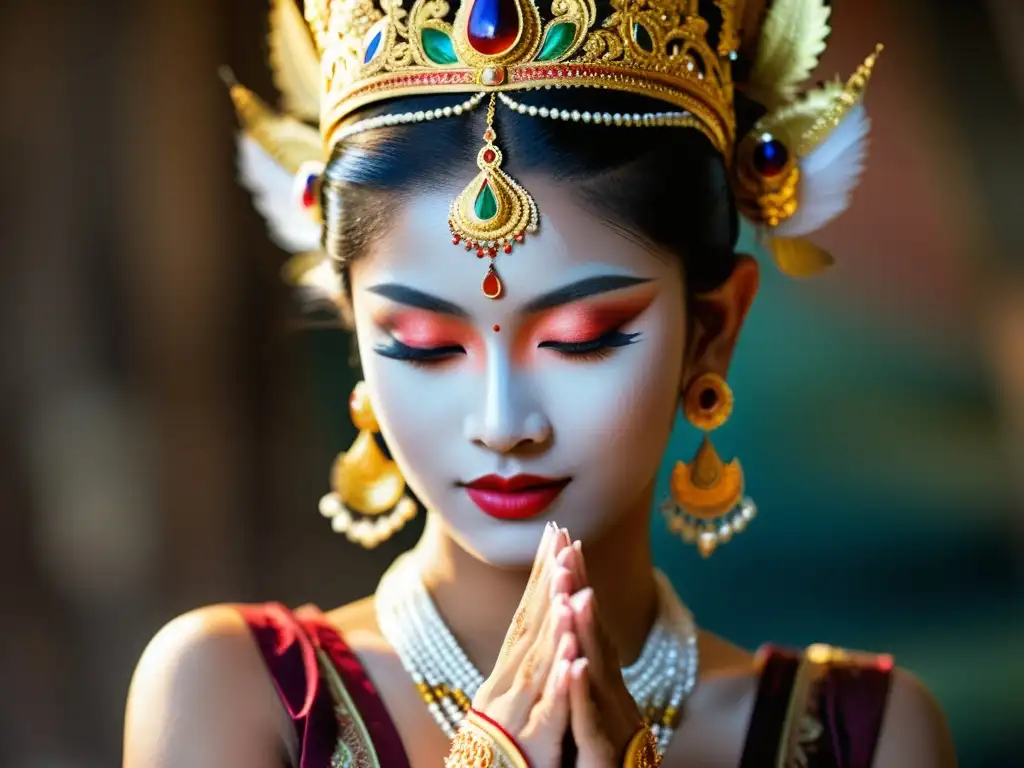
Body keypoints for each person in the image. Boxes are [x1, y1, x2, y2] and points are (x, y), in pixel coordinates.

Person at [123, 0, 957, 765]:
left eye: (580, 340)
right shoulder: (231, 694)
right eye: (421, 345)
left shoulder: (866, 736)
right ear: (355, 334)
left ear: (713, 332)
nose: (502, 422)